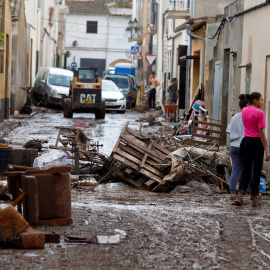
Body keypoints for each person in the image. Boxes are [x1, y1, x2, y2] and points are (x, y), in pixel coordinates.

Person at [235, 92, 270, 206]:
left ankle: (240, 195)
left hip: (246, 141)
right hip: (256, 142)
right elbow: (261, 132)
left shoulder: (244, 110)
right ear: (255, 101)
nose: (262, 102)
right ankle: (254, 197)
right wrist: (266, 149)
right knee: (256, 170)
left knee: (246, 169)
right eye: (261, 100)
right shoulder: (260, 113)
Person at [226, 94, 249, 201]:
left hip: (233, 146)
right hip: (245, 146)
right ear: (248, 105)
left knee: (235, 169)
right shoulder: (249, 116)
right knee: (247, 170)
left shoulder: (234, 117)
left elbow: (228, 130)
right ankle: (244, 192)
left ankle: (233, 193)